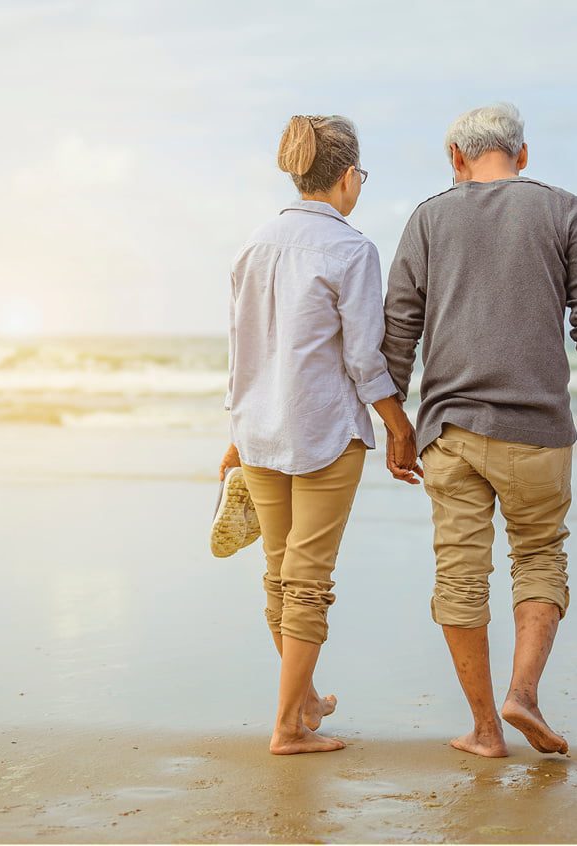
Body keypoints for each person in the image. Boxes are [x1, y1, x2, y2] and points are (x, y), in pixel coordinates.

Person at [381, 102, 577, 757]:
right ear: (522, 156)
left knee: (461, 578)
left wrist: (396, 425)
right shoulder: (562, 210)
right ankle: (522, 693)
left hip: (450, 432)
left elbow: (398, 330)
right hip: (539, 432)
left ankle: (485, 730)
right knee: (540, 559)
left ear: (456, 160)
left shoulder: (428, 218)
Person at [219, 114, 419, 755]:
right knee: (307, 580)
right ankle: (285, 728)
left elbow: (240, 353)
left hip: (258, 431)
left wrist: (234, 431)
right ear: (349, 176)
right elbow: (364, 358)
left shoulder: (254, 244)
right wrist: (397, 424)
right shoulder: (351, 249)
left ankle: (301, 703)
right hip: (324, 431)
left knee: (279, 574)